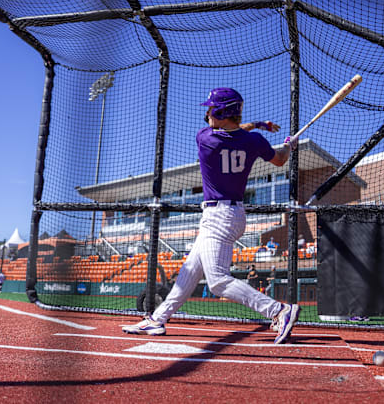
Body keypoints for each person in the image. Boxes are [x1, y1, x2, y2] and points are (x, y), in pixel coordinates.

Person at [122, 87, 300, 344]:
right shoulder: (254, 142)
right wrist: (288, 145)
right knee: (190, 270)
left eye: (211, 109)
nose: (207, 114)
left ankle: (278, 310)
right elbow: (280, 159)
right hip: (233, 214)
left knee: (217, 282)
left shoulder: (205, 138)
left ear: (222, 111)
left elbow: (232, 130)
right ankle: (157, 319)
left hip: (219, 217)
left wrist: (258, 124)